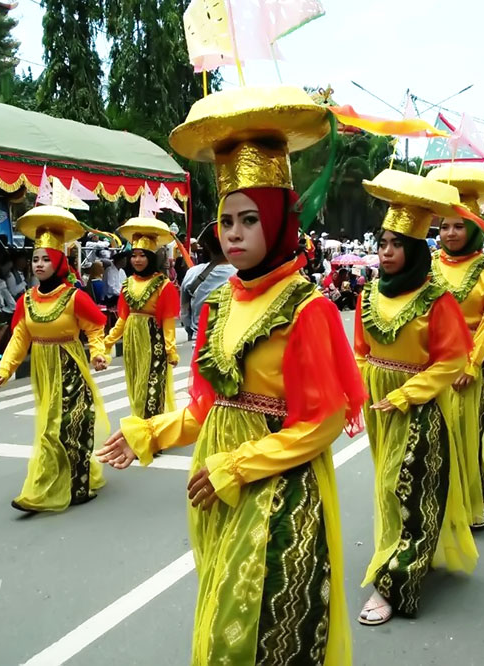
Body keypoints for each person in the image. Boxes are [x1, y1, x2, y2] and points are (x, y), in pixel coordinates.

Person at [96, 86, 363, 665]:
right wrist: (150, 432)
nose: (235, 233)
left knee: (247, 636)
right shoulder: (218, 304)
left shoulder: (306, 307)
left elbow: (323, 419)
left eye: (250, 219)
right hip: (215, 487)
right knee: (223, 617)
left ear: (278, 221)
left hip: (280, 491)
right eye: (227, 220)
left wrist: (237, 465)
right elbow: (207, 407)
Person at [355, 169, 478, 625]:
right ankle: (401, 557)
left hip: (418, 406)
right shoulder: (368, 294)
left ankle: (396, 583)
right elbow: (360, 352)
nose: (385, 252)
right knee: (387, 491)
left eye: (395, 245)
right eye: (382, 243)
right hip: (378, 406)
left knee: (404, 489)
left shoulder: (436, 299)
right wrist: (355, 393)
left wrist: (407, 395)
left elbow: (450, 361)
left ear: (413, 250)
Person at [0, 206, 109, 512]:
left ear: (58, 261)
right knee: (49, 427)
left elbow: (95, 328)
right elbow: (20, 337)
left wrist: (98, 354)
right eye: (35, 259)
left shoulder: (74, 297)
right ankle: (48, 485)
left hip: (70, 366)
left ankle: (72, 487)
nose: (39, 264)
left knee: (69, 425)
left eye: (46, 259)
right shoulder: (26, 300)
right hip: (43, 371)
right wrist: (5, 368)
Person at [426, 166, 484, 531]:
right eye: (445, 226)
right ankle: (442, 499)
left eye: (458, 226)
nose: (450, 233)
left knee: (469, 431)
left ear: (474, 227)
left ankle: (475, 496)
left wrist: (470, 363)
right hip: (432, 360)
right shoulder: (430, 265)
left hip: (471, 361)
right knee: (438, 432)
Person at [103, 219, 182, 420]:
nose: (137, 260)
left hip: (153, 341)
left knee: (152, 385)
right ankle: (138, 425)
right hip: (132, 340)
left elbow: (167, 320)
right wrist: (109, 340)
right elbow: (123, 317)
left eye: (142, 256)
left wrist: (170, 350)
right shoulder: (128, 283)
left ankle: (152, 431)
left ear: (151, 258)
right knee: (135, 383)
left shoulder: (163, 285)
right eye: (134, 256)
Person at [179, 221, 236, 339]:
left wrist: (192, 330)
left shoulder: (193, 273)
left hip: (201, 345)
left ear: (207, 246)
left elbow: (184, 313)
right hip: (234, 343)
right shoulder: (247, 273)